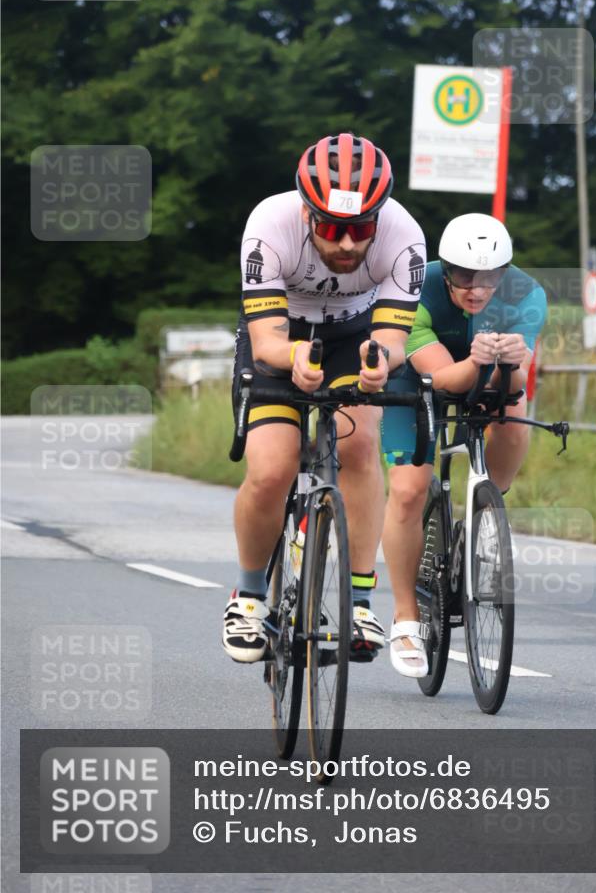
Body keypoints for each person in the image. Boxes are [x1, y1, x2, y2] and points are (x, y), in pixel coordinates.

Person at [223, 132, 427, 663]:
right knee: (272, 467)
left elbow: (393, 340)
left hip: (352, 337)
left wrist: (378, 366)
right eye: (332, 228)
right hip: (280, 334)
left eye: (360, 229)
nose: (346, 244)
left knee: (359, 449)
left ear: (379, 218)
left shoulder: (404, 236)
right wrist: (293, 359)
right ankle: (247, 598)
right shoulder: (270, 224)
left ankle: (358, 599)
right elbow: (266, 340)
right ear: (307, 213)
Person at [380, 213, 547, 678]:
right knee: (410, 491)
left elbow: (512, 385)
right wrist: (480, 361)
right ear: (445, 267)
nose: (475, 288)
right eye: (463, 276)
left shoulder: (527, 294)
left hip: (489, 373)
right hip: (416, 381)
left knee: (513, 418)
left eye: (489, 277)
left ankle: (488, 514)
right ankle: (406, 617)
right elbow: (443, 379)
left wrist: (509, 365)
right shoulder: (413, 287)